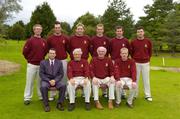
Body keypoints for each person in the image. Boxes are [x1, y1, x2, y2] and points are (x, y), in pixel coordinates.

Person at [22, 24, 47, 105]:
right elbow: (24, 52)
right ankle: (27, 98)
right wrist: (29, 59)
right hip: (32, 65)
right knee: (30, 82)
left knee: (40, 82)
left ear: (41, 30)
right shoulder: (30, 40)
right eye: (37, 29)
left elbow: (45, 52)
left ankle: (41, 96)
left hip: (41, 65)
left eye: (40, 29)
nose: (38, 30)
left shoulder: (44, 41)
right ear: (34, 30)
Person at [47, 21, 69, 101]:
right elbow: (48, 50)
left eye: (58, 28)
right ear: (54, 29)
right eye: (56, 28)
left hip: (63, 60)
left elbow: (68, 49)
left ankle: (65, 93)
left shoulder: (65, 38)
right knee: (53, 77)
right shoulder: (50, 38)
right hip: (53, 61)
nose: (57, 29)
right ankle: (53, 94)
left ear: (61, 28)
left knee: (64, 77)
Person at [131, 26, 153, 101]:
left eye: (141, 31)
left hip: (145, 63)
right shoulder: (133, 42)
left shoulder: (148, 41)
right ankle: (134, 94)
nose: (140, 33)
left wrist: (147, 59)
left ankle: (148, 95)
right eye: (138, 32)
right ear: (136, 33)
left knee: (146, 80)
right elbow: (131, 53)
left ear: (143, 32)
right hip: (136, 63)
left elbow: (150, 52)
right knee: (135, 79)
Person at [110, 26, 131, 99]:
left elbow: (129, 51)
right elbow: (110, 50)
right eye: (117, 31)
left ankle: (123, 93)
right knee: (115, 76)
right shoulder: (112, 41)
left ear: (122, 32)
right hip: (114, 61)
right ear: (115, 32)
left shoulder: (126, 41)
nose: (119, 32)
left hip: (123, 61)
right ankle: (113, 93)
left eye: (120, 31)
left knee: (122, 76)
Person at [90, 23, 110, 98]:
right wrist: (94, 57)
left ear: (103, 30)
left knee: (105, 75)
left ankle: (104, 92)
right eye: (98, 29)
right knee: (94, 75)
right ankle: (93, 92)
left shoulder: (107, 39)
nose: (99, 31)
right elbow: (91, 50)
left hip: (104, 61)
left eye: (101, 29)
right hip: (95, 60)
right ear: (96, 30)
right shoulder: (92, 39)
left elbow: (108, 50)